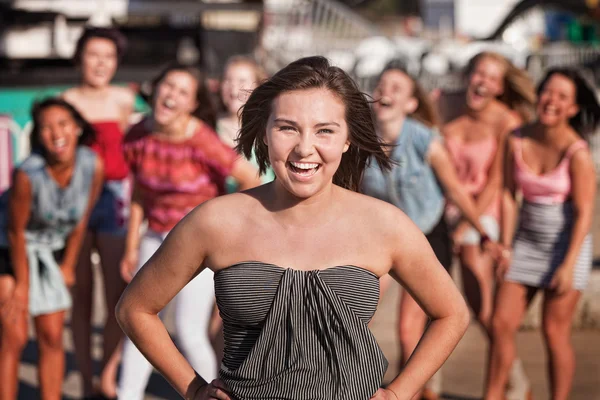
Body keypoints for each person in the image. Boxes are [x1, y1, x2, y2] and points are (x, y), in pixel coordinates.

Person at [116, 55, 471, 400]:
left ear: (347, 139)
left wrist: (398, 392)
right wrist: (193, 389)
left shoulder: (385, 224)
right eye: (288, 127)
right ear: (266, 132)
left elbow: (451, 313)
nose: (304, 149)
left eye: (325, 131)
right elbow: (135, 308)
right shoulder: (215, 221)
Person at [117, 63, 261, 400]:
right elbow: (138, 193)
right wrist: (130, 247)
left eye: (183, 92)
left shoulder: (200, 139)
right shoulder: (138, 135)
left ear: (193, 104)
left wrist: (227, 229)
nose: (172, 95)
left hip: (196, 242)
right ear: (156, 89)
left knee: (189, 330)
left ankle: (215, 396)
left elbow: (249, 178)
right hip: (154, 236)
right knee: (137, 322)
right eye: (168, 86)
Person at [361, 61, 495, 400]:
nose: (384, 92)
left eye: (396, 88)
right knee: (358, 313)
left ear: (411, 103)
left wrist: (484, 232)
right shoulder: (361, 141)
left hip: (427, 237)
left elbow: (455, 189)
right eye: (381, 85)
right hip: (381, 238)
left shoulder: (424, 140)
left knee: (409, 331)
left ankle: (414, 393)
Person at [486, 68, 600, 400]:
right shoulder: (517, 138)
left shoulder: (576, 152)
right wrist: (506, 245)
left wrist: (568, 264)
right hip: (526, 244)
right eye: (548, 92)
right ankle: (493, 395)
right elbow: (508, 195)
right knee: (500, 324)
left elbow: (584, 214)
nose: (552, 101)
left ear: (573, 108)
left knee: (554, 332)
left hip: (567, 247)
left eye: (562, 97)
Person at [442, 52, 536, 399]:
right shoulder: (447, 105)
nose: (483, 81)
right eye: (479, 73)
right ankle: (514, 378)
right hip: (448, 208)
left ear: (500, 88)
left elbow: (498, 183)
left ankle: (514, 380)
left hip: (485, 213)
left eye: (493, 78)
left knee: (481, 308)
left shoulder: (506, 120)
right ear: (469, 75)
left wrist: (463, 227)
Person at [0, 98, 103, 399]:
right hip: (9, 249)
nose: (55, 133)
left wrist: (69, 265)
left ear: (77, 128)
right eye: (45, 127)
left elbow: (82, 219)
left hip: (52, 250)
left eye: (62, 124)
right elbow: (15, 232)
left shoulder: (92, 165)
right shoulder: (27, 174)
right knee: (14, 336)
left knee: (52, 336)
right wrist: (22, 285)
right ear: (37, 135)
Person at [62, 26, 135, 399]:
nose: (100, 63)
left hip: (113, 202)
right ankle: (87, 380)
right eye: (93, 54)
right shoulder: (64, 100)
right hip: (72, 204)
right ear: (79, 57)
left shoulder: (124, 100)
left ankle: (108, 376)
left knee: (117, 297)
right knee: (79, 298)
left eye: (108, 56)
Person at [217, 55, 274, 191]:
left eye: (242, 81)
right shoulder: (207, 128)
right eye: (228, 80)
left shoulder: (269, 129)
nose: (233, 87)